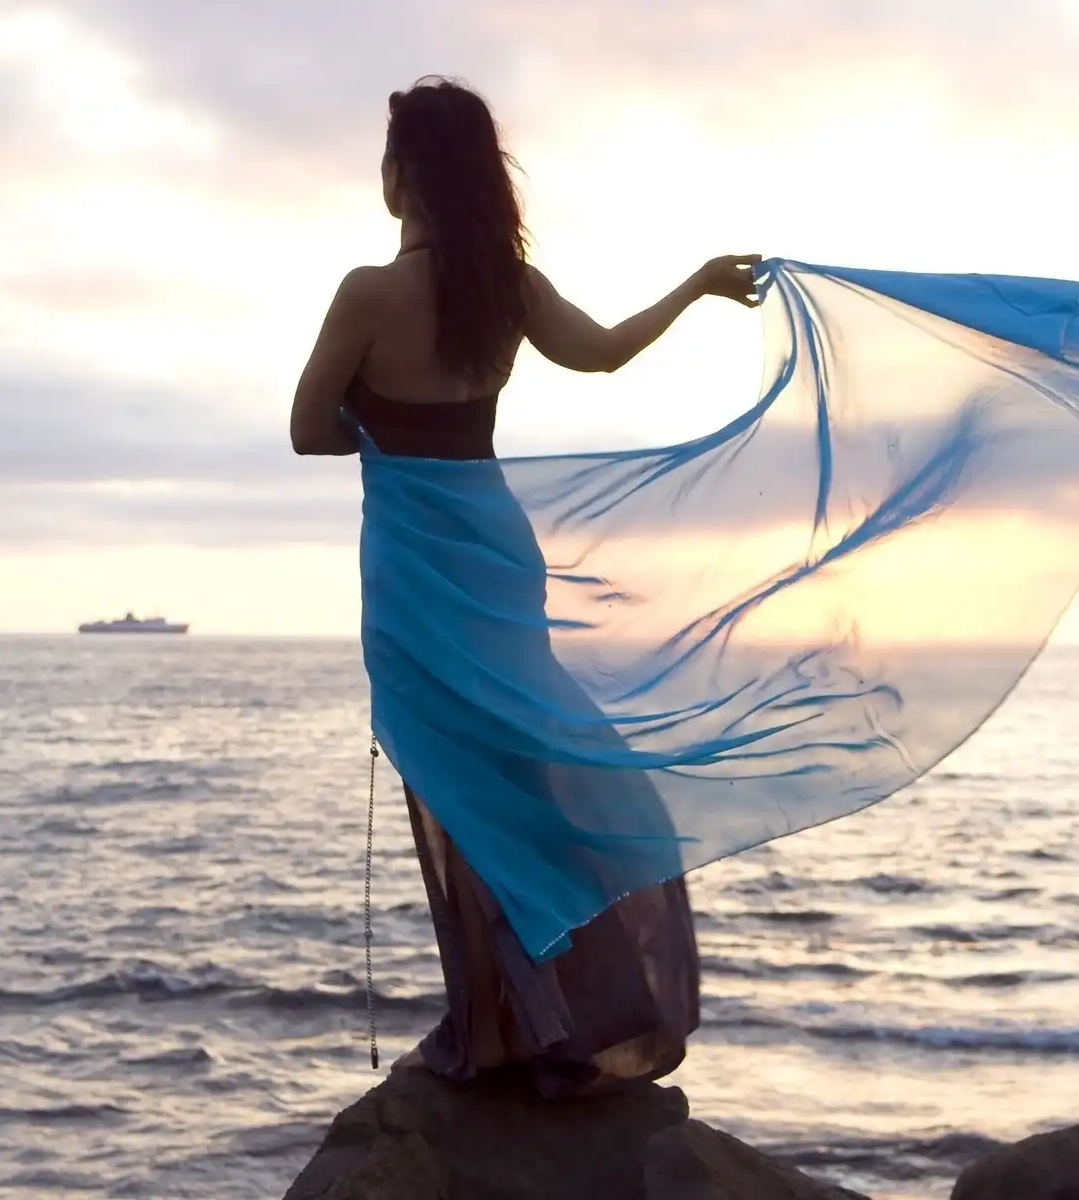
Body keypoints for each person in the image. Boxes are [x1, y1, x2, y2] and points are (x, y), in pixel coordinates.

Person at [288, 75, 761, 1097]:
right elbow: (598, 356)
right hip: (497, 555)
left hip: (416, 567)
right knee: (527, 780)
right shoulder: (507, 288)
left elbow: (305, 430)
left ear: (404, 174)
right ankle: (582, 1014)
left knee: (454, 788)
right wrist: (694, 287)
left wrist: (382, 438)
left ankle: (495, 1026)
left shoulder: (368, 293)